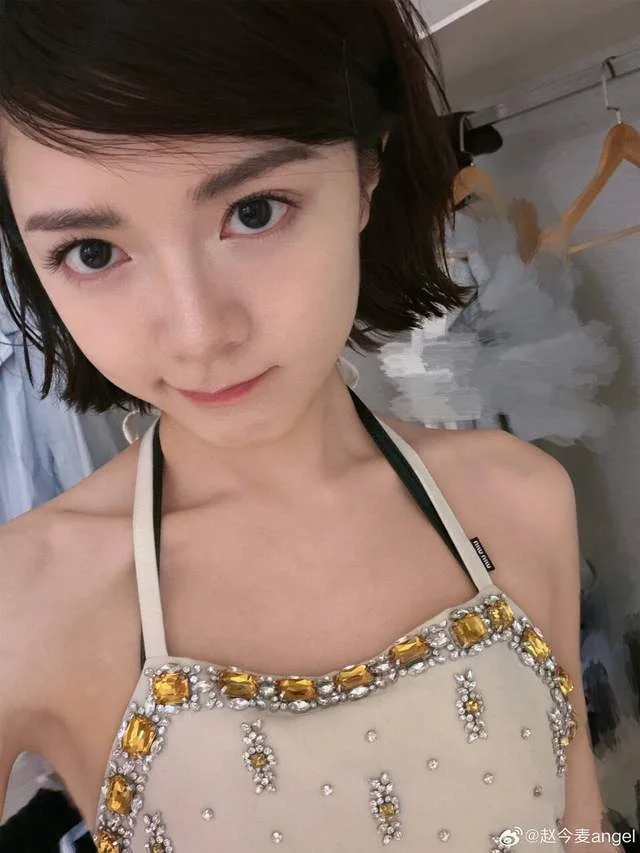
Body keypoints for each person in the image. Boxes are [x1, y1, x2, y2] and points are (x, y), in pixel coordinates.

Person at [0, 1, 620, 851]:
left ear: (366, 174)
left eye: (255, 210)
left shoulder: (521, 497)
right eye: (93, 252)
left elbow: (580, 825)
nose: (199, 334)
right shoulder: (27, 599)